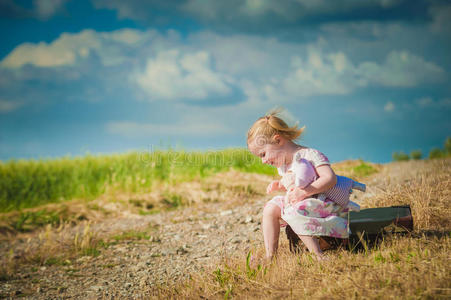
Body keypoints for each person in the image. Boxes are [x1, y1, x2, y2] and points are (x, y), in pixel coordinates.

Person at [247, 110, 354, 261]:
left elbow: (330, 178)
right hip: (304, 202)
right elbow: (294, 184)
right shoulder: (283, 165)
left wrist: (305, 192)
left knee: (294, 211)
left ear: (278, 140)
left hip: (324, 203)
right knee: (271, 208)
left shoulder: (310, 155)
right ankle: (270, 256)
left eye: (263, 154)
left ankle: (317, 255)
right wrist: (280, 185)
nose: (263, 161)